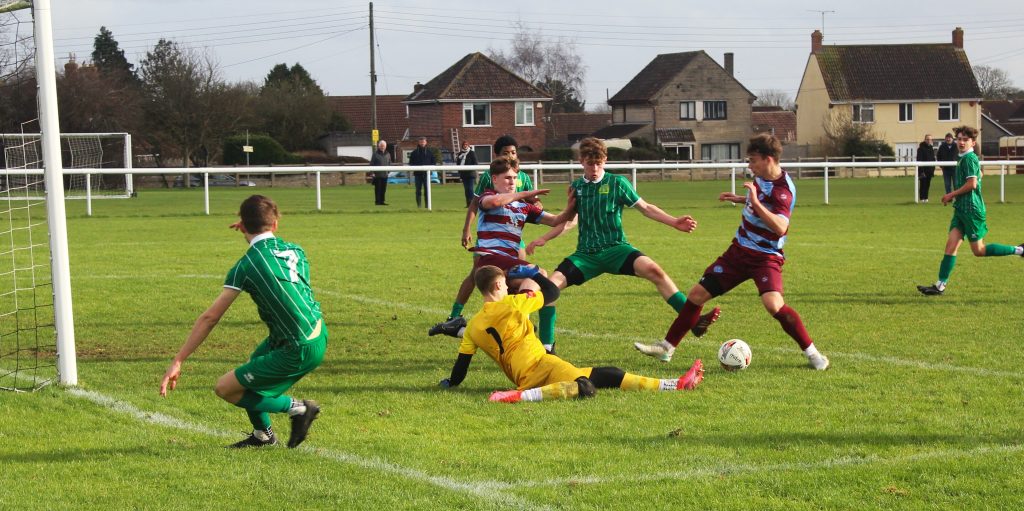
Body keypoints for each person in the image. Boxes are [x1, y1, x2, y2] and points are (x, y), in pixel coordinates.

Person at [634, 134, 831, 370]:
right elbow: (759, 200)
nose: (749, 166)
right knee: (697, 295)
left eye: (753, 160)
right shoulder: (762, 177)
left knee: (773, 305)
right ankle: (667, 348)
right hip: (737, 253)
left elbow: (780, 227)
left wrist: (755, 203)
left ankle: (813, 355)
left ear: (768, 159)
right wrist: (741, 199)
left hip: (765, 258)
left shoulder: (783, 191)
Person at [159, 195, 327, 448]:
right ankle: (263, 435)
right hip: (314, 332)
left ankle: (300, 409)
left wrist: (178, 359)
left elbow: (210, 317)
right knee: (251, 369)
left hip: (297, 345)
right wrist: (252, 230)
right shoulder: (295, 250)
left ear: (242, 226)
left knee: (227, 388)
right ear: (275, 224)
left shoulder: (246, 265)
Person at [542, 137, 719, 356]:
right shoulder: (576, 188)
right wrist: (544, 239)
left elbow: (646, 208)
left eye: (599, 163)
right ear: (581, 162)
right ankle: (547, 348)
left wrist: (674, 222)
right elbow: (570, 220)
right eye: (590, 163)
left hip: (617, 249)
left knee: (655, 271)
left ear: (605, 161)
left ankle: (693, 320)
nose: (595, 168)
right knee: (549, 288)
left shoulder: (618, 184)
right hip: (586, 255)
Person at [438, 265, 704, 403]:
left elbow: (461, 368)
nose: (509, 289)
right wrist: (536, 275)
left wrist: (450, 383)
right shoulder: (512, 304)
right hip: (541, 364)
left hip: (526, 373)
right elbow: (552, 294)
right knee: (585, 387)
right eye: (506, 285)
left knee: (606, 374)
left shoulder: (473, 325)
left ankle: (675, 384)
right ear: (497, 285)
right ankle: (518, 396)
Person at [429, 155, 573, 337]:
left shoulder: (524, 207)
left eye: (514, 178)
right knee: (539, 273)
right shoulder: (488, 196)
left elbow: (556, 221)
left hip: (509, 263)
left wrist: (573, 206)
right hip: (489, 259)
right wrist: (524, 194)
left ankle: (459, 329)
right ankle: (522, 320)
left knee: (529, 285)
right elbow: (495, 202)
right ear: (494, 179)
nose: (512, 182)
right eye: (507, 178)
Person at [916, 126, 1023, 296]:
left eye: (965, 139)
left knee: (978, 251)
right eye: (959, 139)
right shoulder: (963, 158)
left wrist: (951, 193)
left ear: (973, 142)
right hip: (961, 210)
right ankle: (940, 285)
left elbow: (972, 183)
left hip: (972, 211)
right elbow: (977, 176)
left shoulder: (969, 159)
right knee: (950, 246)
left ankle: (1020, 250)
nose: (961, 142)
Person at [408, 136, 436, 208]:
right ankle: (419, 206)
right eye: (421, 142)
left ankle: (427, 205)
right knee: (418, 190)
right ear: (419, 142)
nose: (422, 143)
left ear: (426, 142)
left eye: (423, 142)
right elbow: (411, 163)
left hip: (427, 174)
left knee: (427, 190)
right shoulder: (414, 153)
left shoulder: (430, 152)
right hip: (418, 174)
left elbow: (433, 162)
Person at [455, 140, 479, 207]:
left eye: (466, 144)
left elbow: (475, 163)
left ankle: (472, 204)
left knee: (470, 189)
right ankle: (468, 204)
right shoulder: (460, 154)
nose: (465, 146)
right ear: (462, 145)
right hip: (463, 174)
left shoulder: (472, 153)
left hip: (470, 174)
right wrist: (459, 171)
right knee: (466, 190)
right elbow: (458, 163)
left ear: (468, 145)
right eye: (464, 144)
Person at [916, 134, 937, 203]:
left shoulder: (931, 148)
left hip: (930, 170)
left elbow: (933, 159)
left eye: (930, 139)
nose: (929, 141)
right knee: (923, 184)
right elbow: (919, 160)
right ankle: (922, 198)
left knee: (928, 184)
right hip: (923, 170)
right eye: (927, 139)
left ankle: (926, 198)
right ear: (925, 140)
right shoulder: (920, 149)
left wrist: (933, 169)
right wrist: (921, 171)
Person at [370, 139, 391, 206]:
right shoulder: (375, 154)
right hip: (377, 175)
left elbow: (389, 163)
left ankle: (382, 201)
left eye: (383, 146)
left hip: (385, 175)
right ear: (379, 146)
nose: (382, 147)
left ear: (386, 146)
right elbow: (372, 163)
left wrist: (388, 171)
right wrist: (372, 173)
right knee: (378, 189)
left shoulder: (388, 154)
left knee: (383, 189)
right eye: (381, 146)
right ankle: (377, 202)